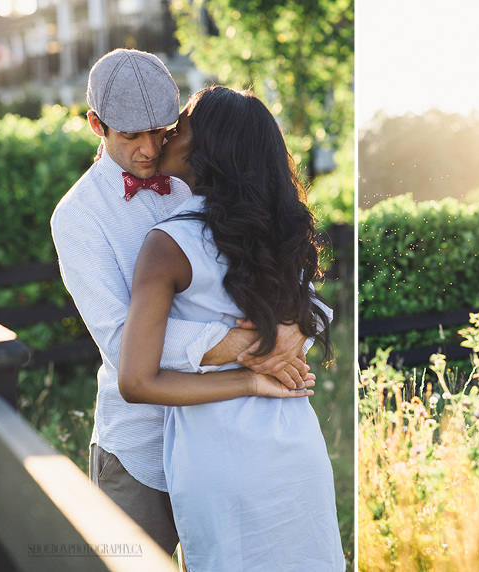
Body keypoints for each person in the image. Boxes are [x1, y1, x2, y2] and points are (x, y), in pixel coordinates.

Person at [51, 49, 312, 557]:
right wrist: (247, 344)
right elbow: (121, 342)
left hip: (223, 437)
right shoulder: (77, 217)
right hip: (140, 450)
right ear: (95, 124)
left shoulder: (200, 174)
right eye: (131, 136)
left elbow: (277, 254)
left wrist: (297, 324)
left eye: (161, 131)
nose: (150, 149)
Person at [117, 86, 344, 570]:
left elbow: (135, 381)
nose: (166, 135)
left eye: (180, 126)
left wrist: (247, 376)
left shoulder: (166, 245)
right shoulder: (282, 232)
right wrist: (268, 355)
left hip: (218, 458)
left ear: (207, 147)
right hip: (296, 443)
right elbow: (313, 309)